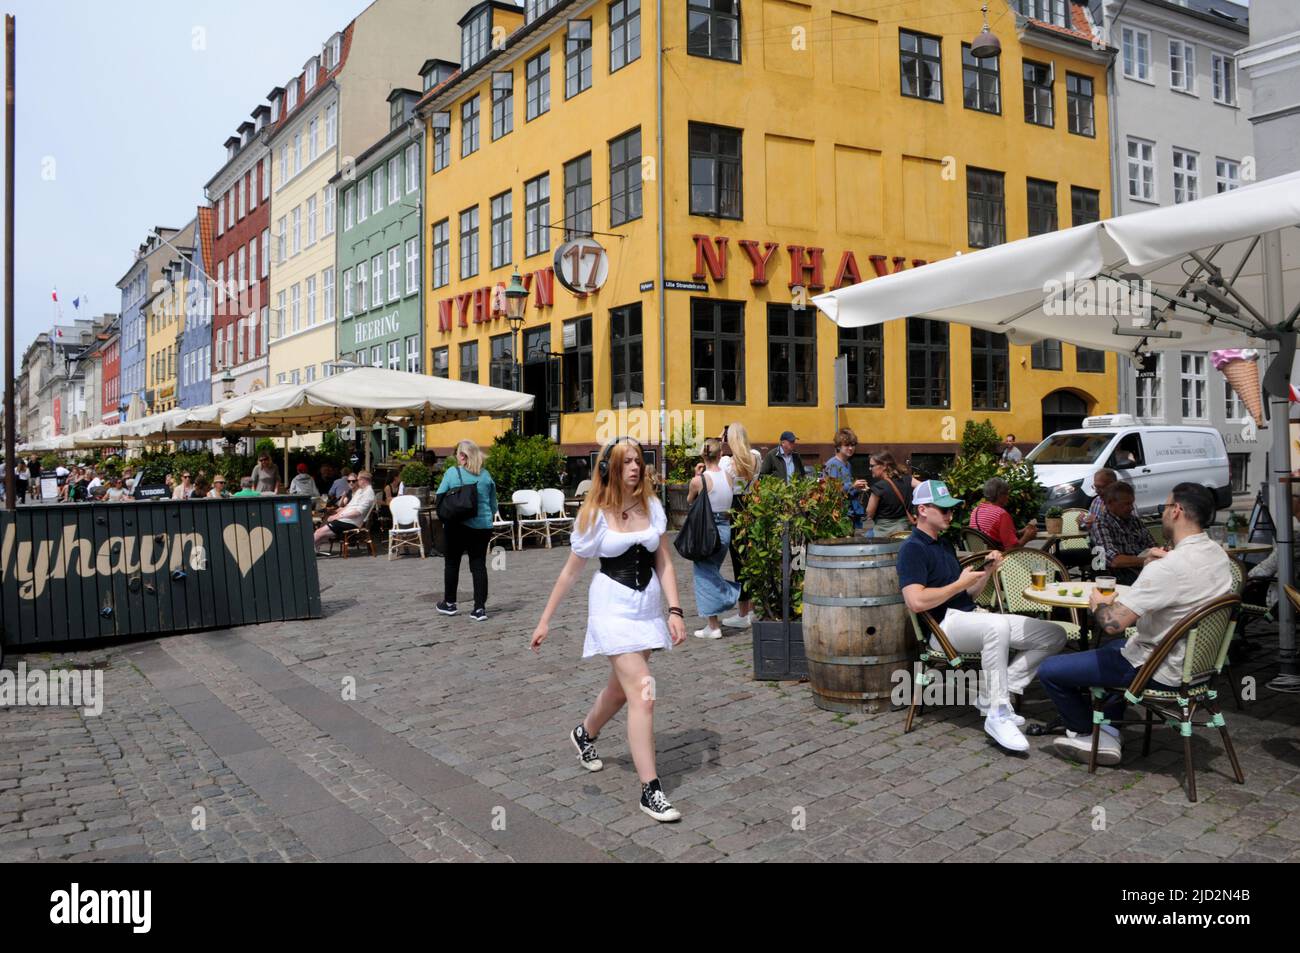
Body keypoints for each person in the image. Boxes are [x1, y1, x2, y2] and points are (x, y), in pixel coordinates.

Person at [530, 437, 688, 823]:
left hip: (646, 608)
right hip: (611, 609)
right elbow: (571, 572)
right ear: (609, 469)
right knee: (644, 692)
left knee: (621, 690)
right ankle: (651, 791)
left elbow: (663, 561)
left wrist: (675, 609)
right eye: (626, 462)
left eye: (639, 461)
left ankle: (585, 733)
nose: (635, 467)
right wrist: (545, 620)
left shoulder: (651, 506)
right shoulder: (595, 515)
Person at [1038, 484, 1234, 766]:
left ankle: (1088, 733)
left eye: (1165, 508)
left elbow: (1112, 623)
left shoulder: (1167, 568)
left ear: (1177, 511)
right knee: (1116, 650)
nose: (1163, 514)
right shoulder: (1217, 555)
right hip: (1196, 668)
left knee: (1049, 670)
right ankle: (1107, 724)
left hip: (1155, 668)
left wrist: (1098, 603)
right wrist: (1149, 568)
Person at [898, 480, 1068, 753]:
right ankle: (998, 713)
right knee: (997, 625)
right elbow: (915, 601)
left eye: (950, 510)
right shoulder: (912, 548)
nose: (949, 515)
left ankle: (993, 695)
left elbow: (969, 596)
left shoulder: (944, 544)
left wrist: (987, 572)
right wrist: (958, 584)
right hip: (941, 629)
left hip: (968, 616)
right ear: (922, 510)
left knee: (1053, 634)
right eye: (943, 510)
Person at [434, 441, 498, 621]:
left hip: (457, 526)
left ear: (462, 456)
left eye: (457, 454)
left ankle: (449, 603)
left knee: (452, 563)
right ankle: (479, 608)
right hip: (483, 526)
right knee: (478, 565)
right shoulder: (486, 476)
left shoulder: (452, 473)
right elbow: (493, 506)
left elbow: (439, 497)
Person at [686, 438, 741, 639]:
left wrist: (696, 476)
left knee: (703, 575)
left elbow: (689, 501)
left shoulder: (699, 480)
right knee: (710, 572)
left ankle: (720, 614)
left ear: (703, 456)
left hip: (707, 531)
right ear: (720, 455)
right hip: (725, 529)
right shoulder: (728, 476)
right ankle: (713, 622)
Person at [719, 422, 762, 629]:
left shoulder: (727, 462)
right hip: (752, 507)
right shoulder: (756, 456)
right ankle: (751, 610)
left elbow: (725, 490)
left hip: (735, 508)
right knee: (751, 560)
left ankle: (743, 612)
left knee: (739, 561)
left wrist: (720, 446)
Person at [1090, 482, 1163, 585]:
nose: (1132, 508)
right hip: (1121, 577)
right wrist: (1147, 560)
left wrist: (1159, 553)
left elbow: (1153, 546)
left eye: (1132, 503)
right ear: (1111, 503)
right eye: (1126, 504)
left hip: (1146, 571)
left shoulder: (1135, 521)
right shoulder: (1101, 524)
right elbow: (1114, 561)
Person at [314, 470, 377, 554]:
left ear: (363, 480)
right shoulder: (360, 491)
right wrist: (337, 514)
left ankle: (306, 553)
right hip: (345, 519)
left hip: (351, 522)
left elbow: (357, 513)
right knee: (320, 531)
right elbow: (348, 506)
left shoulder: (368, 494)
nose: (357, 482)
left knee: (318, 533)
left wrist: (337, 516)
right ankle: (314, 550)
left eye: (357, 480)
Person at [969, 477, 1038, 550]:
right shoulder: (1001, 514)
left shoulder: (976, 510)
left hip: (977, 558)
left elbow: (992, 534)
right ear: (1000, 495)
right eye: (1007, 494)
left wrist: (1021, 532)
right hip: (997, 558)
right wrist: (1027, 537)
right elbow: (1012, 549)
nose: (1008, 497)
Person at [823, 429, 867, 530]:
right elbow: (832, 491)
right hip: (840, 515)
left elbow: (847, 489)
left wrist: (858, 488)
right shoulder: (832, 464)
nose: (851, 448)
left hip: (852, 512)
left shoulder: (848, 464)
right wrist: (852, 485)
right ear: (838, 446)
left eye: (853, 445)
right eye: (847, 445)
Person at [865, 452, 914, 537]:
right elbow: (924, 486)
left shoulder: (879, 487)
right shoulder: (907, 479)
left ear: (884, 466)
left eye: (872, 466)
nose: (870, 468)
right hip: (904, 531)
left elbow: (869, 513)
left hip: (883, 533)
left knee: (866, 537)